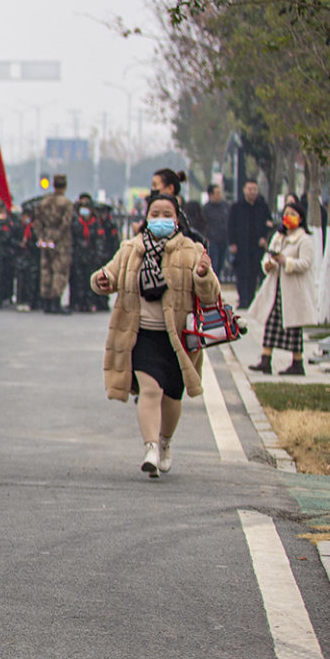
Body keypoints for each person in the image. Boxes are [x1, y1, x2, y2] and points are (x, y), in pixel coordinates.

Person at [90, 192, 222, 476]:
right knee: (150, 389)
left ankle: (164, 442)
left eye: (167, 215)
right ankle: (149, 447)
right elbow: (109, 275)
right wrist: (102, 279)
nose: (161, 220)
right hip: (142, 336)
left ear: (177, 219)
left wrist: (203, 275)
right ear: (146, 218)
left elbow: (210, 295)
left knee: (172, 396)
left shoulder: (191, 250)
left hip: (177, 339)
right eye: (155, 214)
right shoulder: (131, 249)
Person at [247, 201, 322, 376]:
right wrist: (269, 264)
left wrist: (285, 262)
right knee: (271, 323)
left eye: (293, 214)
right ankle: (266, 359)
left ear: (300, 218)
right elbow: (268, 256)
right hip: (277, 288)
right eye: (286, 213)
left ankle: (297, 363)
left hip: (294, 291)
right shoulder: (278, 237)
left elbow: (305, 263)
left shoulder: (304, 240)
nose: (288, 217)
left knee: (294, 327)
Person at [34, 175, 74, 312]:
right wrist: (56, 237)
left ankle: (46, 301)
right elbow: (66, 223)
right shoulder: (67, 203)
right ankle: (55, 301)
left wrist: (42, 237)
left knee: (46, 269)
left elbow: (37, 222)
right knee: (59, 271)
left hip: (45, 238)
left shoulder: (44, 202)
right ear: (65, 186)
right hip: (61, 242)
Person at [230, 179, 272, 309]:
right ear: (244, 190)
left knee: (254, 274)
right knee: (242, 274)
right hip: (241, 245)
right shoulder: (237, 207)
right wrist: (232, 243)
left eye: (254, 189)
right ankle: (243, 300)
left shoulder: (262, 207)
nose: (252, 192)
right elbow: (230, 226)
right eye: (249, 189)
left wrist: (264, 237)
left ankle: (251, 300)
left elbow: (268, 224)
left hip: (256, 247)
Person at [201, 183, 232, 283]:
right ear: (210, 194)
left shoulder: (226, 207)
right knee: (214, 263)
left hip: (224, 240)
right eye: (217, 193)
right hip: (212, 240)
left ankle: (217, 285)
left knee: (221, 265)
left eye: (220, 193)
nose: (219, 195)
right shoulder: (206, 209)